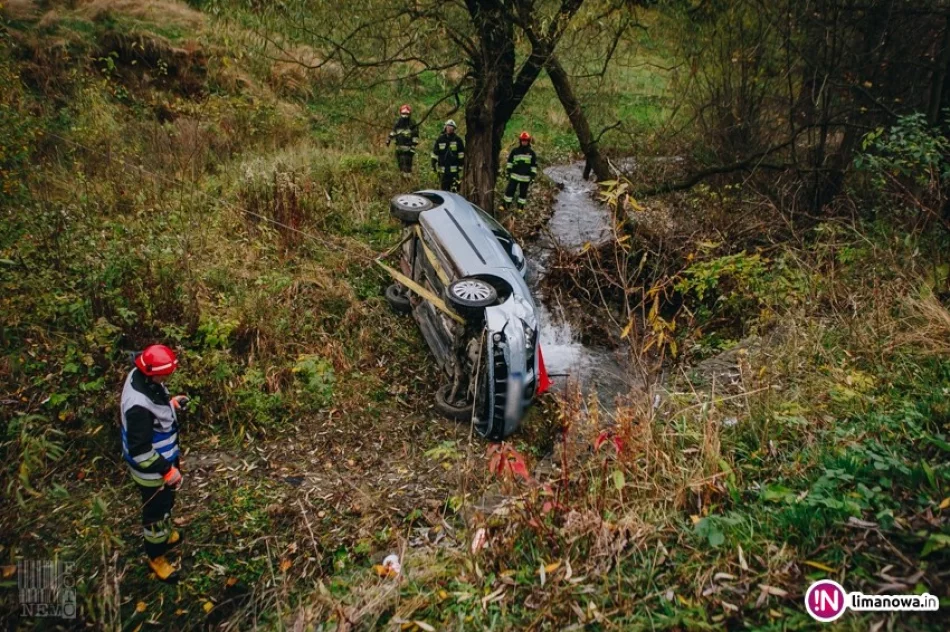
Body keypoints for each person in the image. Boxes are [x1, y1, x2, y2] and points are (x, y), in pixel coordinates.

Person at [121, 344, 189, 583]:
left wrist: (171, 404)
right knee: (155, 515)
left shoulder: (142, 377)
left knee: (167, 503)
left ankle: (166, 534)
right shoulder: (137, 407)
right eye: (164, 376)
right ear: (151, 373)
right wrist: (166, 470)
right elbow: (139, 450)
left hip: (164, 462)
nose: (166, 379)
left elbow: (155, 409)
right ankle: (156, 556)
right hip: (152, 473)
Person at [501, 131, 538, 213]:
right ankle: (505, 205)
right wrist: (508, 172)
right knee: (510, 191)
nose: (524, 142)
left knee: (523, 193)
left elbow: (533, 166)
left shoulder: (531, 153)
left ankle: (520, 208)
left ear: (528, 141)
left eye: (526, 141)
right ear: (520, 141)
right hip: (514, 175)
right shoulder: (515, 151)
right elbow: (510, 162)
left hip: (525, 178)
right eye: (523, 140)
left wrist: (532, 176)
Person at [431, 119, 465, 192]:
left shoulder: (458, 140)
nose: (449, 128)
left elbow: (461, 154)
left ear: (454, 129)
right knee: (444, 191)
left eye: (451, 126)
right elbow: (435, 154)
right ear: (445, 127)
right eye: (448, 126)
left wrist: (460, 166)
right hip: (443, 171)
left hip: (454, 172)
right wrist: (433, 165)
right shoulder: (440, 139)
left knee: (455, 190)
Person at [386, 104, 419, 177]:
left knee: (407, 167)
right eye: (403, 113)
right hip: (399, 148)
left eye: (406, 114)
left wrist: (413, 148)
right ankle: (403, 180)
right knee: (401, 166)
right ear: (400, 113)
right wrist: (389, 139)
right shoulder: (398, 122)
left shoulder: (412, 123)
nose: (405, 115)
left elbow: (415, 137)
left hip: (408, 149)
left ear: (409, 114)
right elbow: (394, 132)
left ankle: (407, 180)